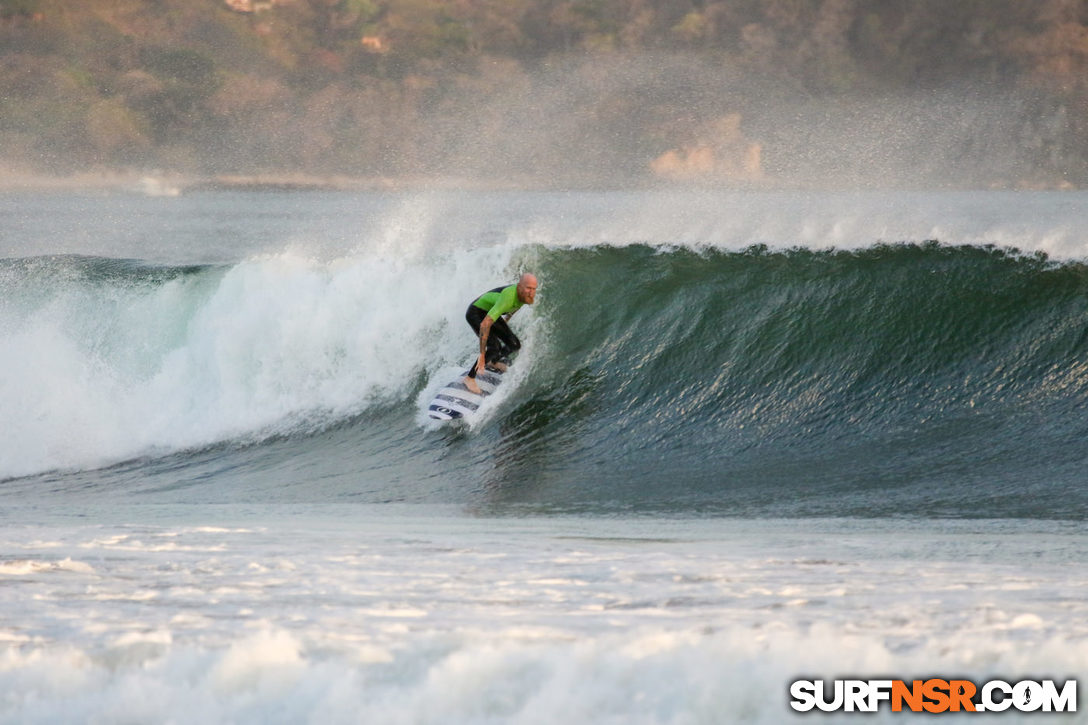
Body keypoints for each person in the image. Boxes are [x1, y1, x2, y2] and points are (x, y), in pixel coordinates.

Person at [463, 273, 538, 394]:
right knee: (494, 347)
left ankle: (493, 362)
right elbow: (484, 324)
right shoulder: (507, 298)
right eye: (528, 288)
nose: (531, 292)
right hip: (475, 313)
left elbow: (515, 307)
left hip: (490, 312)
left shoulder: (525, 296)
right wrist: (482, 353)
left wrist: (504, 327)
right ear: (520, 286)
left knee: (514, 344)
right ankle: (469, 378)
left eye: (534, 289)